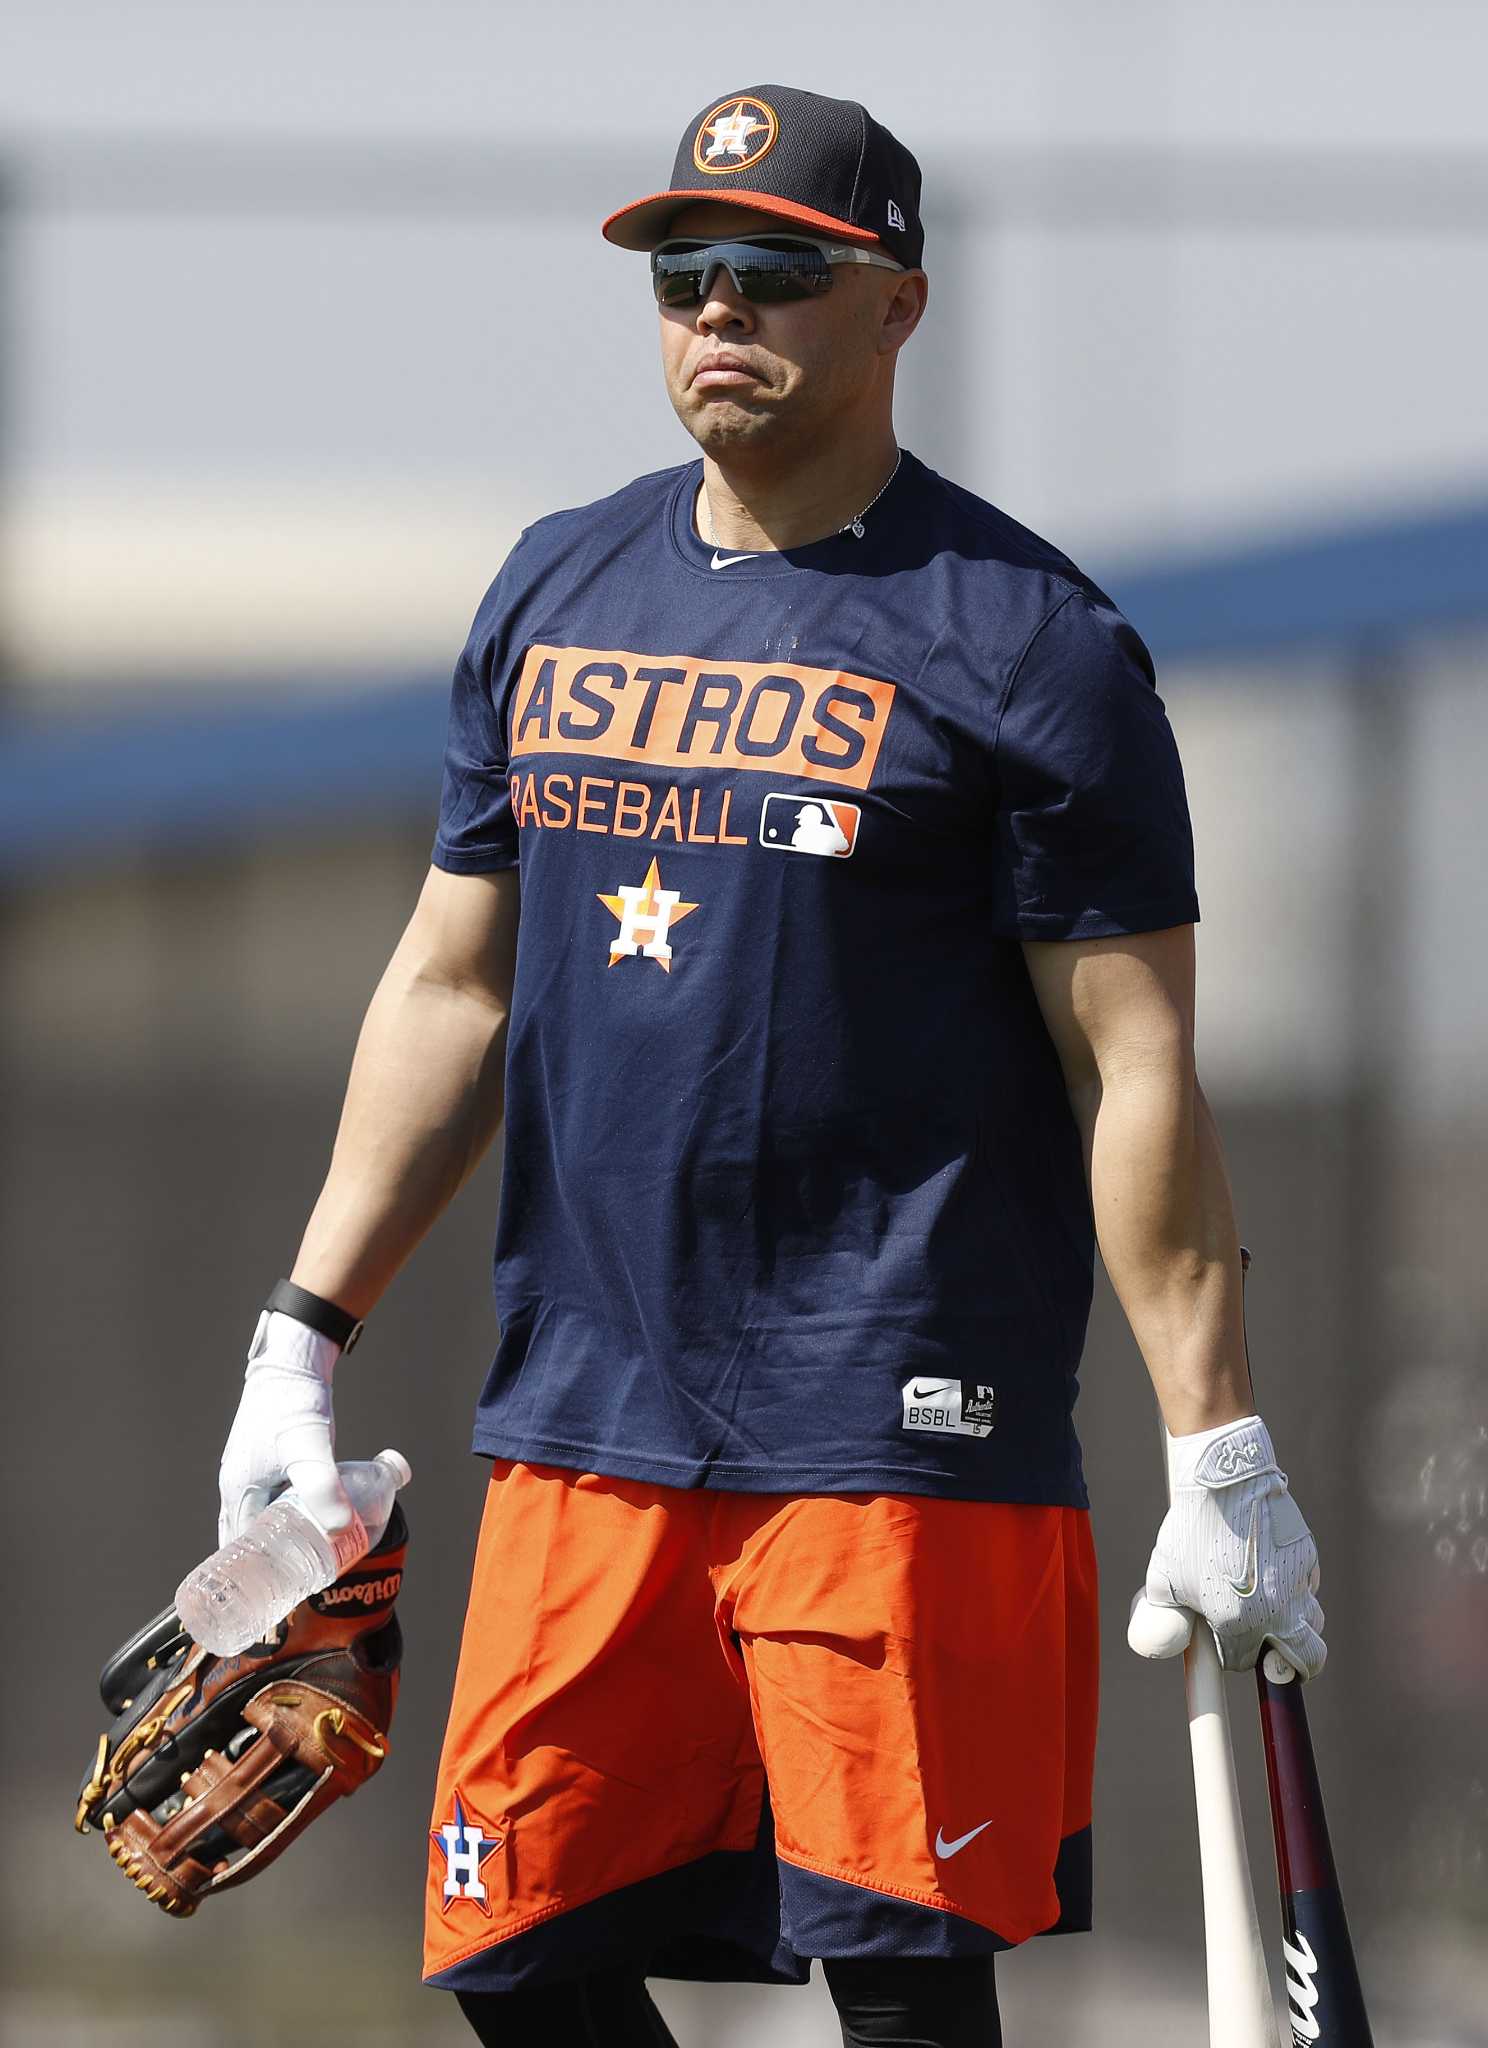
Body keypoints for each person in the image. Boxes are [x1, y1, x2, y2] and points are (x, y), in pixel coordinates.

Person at [215, 84, 1326, 2048]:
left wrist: (1216, 1443)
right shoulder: (555, 586)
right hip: (584, 1414)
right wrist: (302, 1333)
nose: (718, 311)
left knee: (899, 1987)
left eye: (777, 275)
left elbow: (1135, 1063)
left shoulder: (1030, 639)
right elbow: (451, 986)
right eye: (684, 274)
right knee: (514, 1954)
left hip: (894, 1430)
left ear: (896, 305)